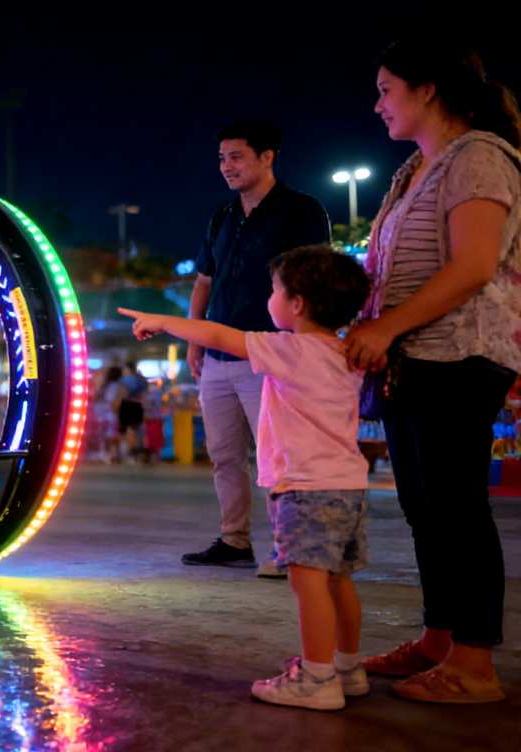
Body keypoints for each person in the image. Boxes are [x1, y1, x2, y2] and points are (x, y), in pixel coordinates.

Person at [122, 245, 373, 710]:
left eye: (275, 290)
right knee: (339, 581)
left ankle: (317, 680)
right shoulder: (347, 352)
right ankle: (346, 667)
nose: (269, 298)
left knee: (308, 583)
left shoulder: (290, 348)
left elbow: (221, 335)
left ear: (297, 304)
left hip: (305, 487)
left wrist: (163, 321)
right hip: (348, 484)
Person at [346, 40, 521, 704]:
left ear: (427, 91)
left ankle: (475, 663)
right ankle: (440, 638)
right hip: (412, 360)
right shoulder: (412, 170)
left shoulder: (477, 158)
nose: (377, 103)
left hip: (462, 352)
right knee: (425, 506)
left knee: (457, 507)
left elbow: (474, 265)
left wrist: (387, 326)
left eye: (387, 89)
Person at [184, 119, 331, 576]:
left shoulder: (301, 211)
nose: (227, 167)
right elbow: (205, 279)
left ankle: (290, 548)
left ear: (268, 157)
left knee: (275, 454)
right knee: (224, 455)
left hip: (269, 352)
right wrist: (194, 335)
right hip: (218, 355)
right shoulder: (222, 217)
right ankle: (234, 540)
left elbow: (316, 277)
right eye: (222, 158)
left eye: (237, 156)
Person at [118, 363, 149, 461]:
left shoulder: (125, 380)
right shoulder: (141, 380)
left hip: (127, 405)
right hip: (138, 405)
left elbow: (123, 393)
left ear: (128, 369)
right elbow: (144, 394)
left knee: (128, 429)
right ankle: (140, 451)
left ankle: (130, 451)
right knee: (138, 429)